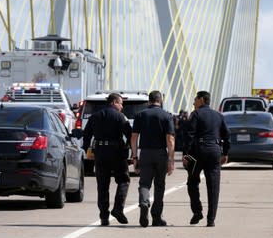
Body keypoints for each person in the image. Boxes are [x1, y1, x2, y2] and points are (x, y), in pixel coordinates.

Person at [83, 93, 132, 226]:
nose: (122, 106)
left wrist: (86, 149)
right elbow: (129, 134)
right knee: (123, 180)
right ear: (114, 102)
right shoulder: (120, 117)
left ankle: (104, 216)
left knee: (102, 185)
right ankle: (118, 209)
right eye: (120, 103)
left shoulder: (95, 116)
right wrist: (128, 147)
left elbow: (86, 134)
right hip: (117, 152)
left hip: (100, 152)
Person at [183, 91, 230, 227]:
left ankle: (197, 211)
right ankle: (211, 220)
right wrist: (225, 153)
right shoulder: (219, 116)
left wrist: (186, 155)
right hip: (215, 151)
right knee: (213, 187)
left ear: (202, 100)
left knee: (192, 182)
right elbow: (227, 136)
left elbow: (189, 135)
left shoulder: (196, 114)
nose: (193, 102)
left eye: (195, 99)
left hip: (197, 153)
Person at [131, 90, 175, 227]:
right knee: (160, 185)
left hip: (145, 153)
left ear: (149, 101)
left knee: (144, 183)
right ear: (160, 101)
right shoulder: (166, 116)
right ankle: (156, 217)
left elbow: (134, 137)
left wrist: (134, 156)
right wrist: (171, 159)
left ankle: (144, 203)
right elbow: (170, 139)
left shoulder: (140, 115)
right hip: (161, 153)